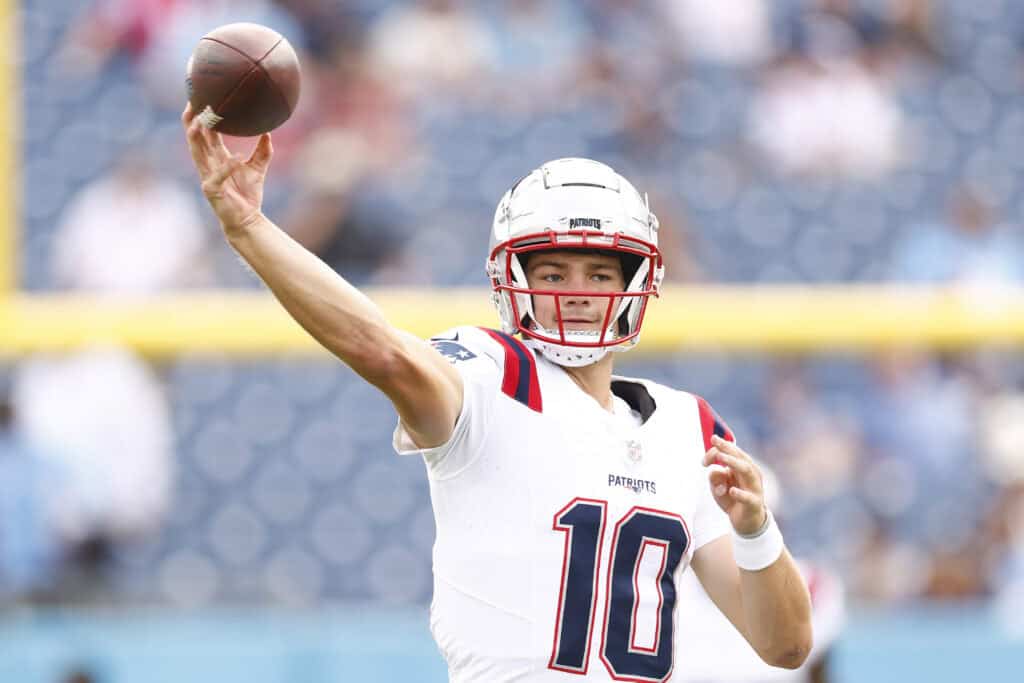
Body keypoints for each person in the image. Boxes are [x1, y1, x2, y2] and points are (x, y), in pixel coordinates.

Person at [182, 104, 813, 681]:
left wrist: (757, 528)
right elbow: (381, 349)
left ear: (639, 282)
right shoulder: (492, 373)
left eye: (598, 272)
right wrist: (247, 226)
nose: (578, 290)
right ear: (514, 280)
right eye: (553, 272)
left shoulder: (687, 428)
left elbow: (785, 645)